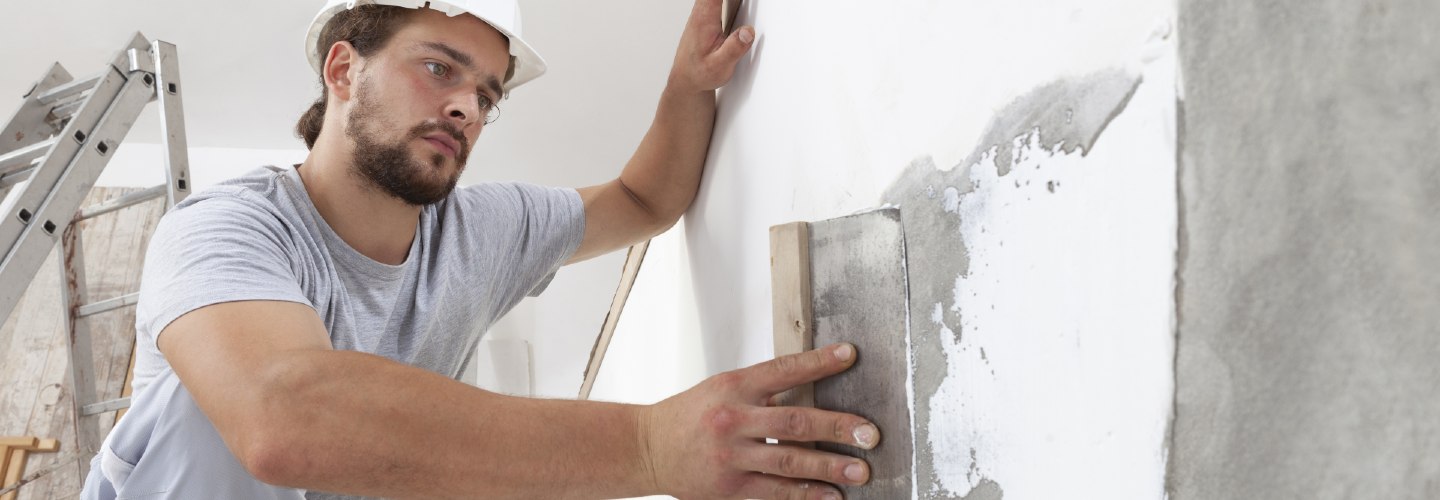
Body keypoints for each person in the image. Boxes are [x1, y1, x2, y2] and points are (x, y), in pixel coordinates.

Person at [81, 0, 880, 498]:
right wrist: (647, 447)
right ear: (342, 69)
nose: (465, 105)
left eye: (487, 95)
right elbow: (282, 419)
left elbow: (643, 200)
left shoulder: (479, 231)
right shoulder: (227, 230)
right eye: (439, 68)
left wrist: (685, 85)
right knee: (207, 403)